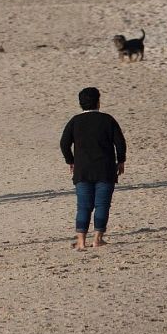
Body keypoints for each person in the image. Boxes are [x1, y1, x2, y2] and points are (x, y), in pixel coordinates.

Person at [60, 87, 126, 250]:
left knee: (83, 205)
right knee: (102, 204)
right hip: (105, 169)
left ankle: (81, 242)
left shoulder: (75, 121)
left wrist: (71, 161)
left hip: (82, 170)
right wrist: (121, 160)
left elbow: (64, 143)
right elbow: (120, 142)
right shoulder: (108, 120)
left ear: (81, 103)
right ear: (98, 102)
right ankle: (97, 239)